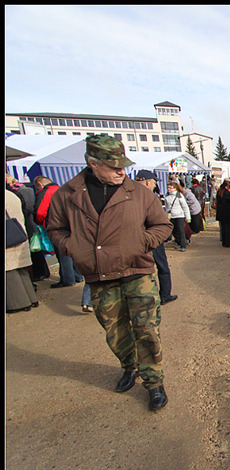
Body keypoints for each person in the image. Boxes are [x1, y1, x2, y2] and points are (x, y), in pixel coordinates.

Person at [45, 134, 173, 411]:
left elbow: (163, 226)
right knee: (114, 330)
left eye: (123, 165)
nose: (121, 171)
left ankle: (154, 381)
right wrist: (73, 248)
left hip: (138, 271)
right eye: (114, 166)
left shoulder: (139, 193)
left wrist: (141, 243)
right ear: (93, 163)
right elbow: (54, 229)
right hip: (99, 276)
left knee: (146, 329)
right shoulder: (67, 195)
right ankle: (129, 366)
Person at [135, 170, 178, 305]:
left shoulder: (126, 195)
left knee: (138, 269)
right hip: (151, 237)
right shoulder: (150, 197)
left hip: (134, 240)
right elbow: (159, 220)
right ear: (148, 182)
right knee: (162, 266)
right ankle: (164, 295)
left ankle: (141, 297)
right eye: (154, 182)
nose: (154, 185)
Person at [33, 175, 83, 288]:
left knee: (62, 253)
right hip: (72, 224)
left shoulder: (46, 192)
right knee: (72, 251)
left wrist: (39, 222)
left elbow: (40, 212)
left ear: (40, 185)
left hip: (57, 226)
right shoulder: (64, 189)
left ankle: (67, 279)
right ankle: (77, 276)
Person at [6, 188, 39, 313]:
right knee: (21, 271)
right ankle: (31, 298)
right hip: (18, 234)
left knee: (9, 274)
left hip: (8, 239)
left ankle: (19, 304)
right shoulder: (11, 195)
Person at [165, 180, 191, 251]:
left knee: (181, 230)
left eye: (171, 187)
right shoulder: (167, 197)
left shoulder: (179, 196)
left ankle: (183, 245)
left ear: (175, 188)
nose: (169, 189)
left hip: (180, 216)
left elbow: (185, 206)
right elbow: (167, 207)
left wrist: (188, 217)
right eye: (168, 187)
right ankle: (178, 242)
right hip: (171, 216)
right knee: (173, 231)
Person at [215, 179, 230, 247]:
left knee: (223, 228)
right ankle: (228, 243)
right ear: (227, 187)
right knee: (228, 228)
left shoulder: (219, 192)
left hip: (220, 212)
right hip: (227, 212)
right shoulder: (228, 194)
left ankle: (224, 242)